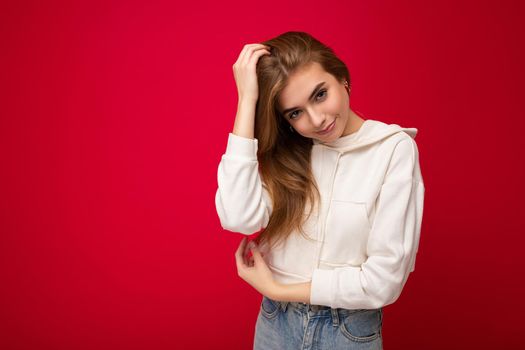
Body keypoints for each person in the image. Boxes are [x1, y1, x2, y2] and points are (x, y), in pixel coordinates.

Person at [214, 31, 425, 350]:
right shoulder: (291, 154)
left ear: (342, 78)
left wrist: (280, 290)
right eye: (295, 113)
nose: (317, 119)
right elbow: (238, 218)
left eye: (320, 94)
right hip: (275, 324)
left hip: (348, 332)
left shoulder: (393, 150)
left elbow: (383, 282)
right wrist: (247, 100)